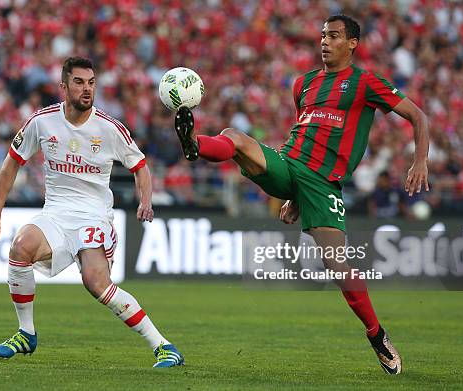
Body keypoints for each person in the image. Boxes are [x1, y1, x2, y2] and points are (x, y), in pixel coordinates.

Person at [174, 15, 430, 375]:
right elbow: (304, 133)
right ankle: (195, 144)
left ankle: (377, 335)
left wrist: (420, 161)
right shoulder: (304, 84)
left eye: (335, 36)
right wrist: (291, 192)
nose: (325, 41)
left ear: (353, 43)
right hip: (288, 164)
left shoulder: (364, 83)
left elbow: (418, 117)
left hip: (322, 183)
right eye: (323, 35)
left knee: (336, 263)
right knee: (236, 137)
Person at [0, 57, 184, 367]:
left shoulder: (109, 128)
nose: (86, 89)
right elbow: (10, 165)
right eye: (79, 82)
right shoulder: (41, 121)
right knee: (20, 247)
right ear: (64, 87)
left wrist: (145, 201)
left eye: (91, 83)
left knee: (95, 283)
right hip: (56, 213)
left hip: (93, 216)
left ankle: (164, 346)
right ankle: (26, 333)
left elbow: (140, 167)